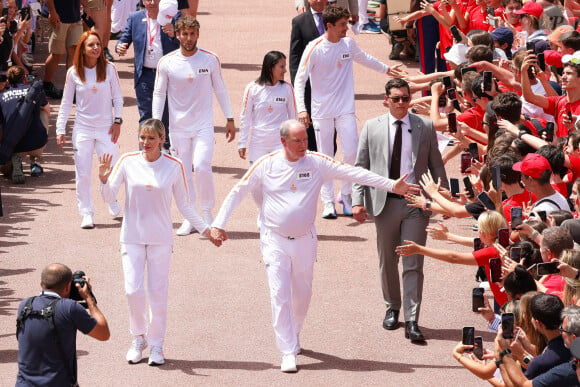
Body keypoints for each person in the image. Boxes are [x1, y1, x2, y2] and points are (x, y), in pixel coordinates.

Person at [210, 119, 419, 372]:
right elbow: (238, 191)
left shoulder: (316, 162)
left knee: (303, 293)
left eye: (305, 140)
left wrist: (391, 185)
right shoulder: (266, 165)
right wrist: (219, 224)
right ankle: (287, 350)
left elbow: (354, 173)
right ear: (283, 141)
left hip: (305, 239)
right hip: (273, 239)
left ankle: (295, 333)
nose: (303, 145)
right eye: (297, 141)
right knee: (279, 294)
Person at [98, 118, 220, 366]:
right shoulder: (127, 162)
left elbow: (185, 205)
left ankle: (156, 344)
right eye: (142, 137)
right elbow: (109, 196)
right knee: (132, 291)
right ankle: (138, 337)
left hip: (161, 239)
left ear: (162, 139)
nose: (145, 143)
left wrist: (207, 231)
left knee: (157, 293)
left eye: (151, 138)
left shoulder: (174, 166)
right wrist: (103, 180)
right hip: (131, 237)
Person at [353, 78, 448, 342]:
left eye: (406, 98)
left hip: (415, 203)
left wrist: (444, 197)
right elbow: (361, 166)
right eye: (396, 98)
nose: (402, 103)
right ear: (386, 100)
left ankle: (413, 318)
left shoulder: (424, 126)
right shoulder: (372, 127)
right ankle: (392, 307)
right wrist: (357, 200)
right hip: (383, 203)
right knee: (387, 260)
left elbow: (437, 165)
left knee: (413, 261)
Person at [294, 5, 405, 219]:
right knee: (325, 157)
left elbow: (365, 58)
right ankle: (327, 201)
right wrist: (302, 109)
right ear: (329, 26)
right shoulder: (314, 48)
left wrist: (386, 69)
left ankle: (345, 195)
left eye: (347, 23)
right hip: (321, 112)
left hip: (345, 109)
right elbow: (300, 80)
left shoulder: (348, 44)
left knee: (352, 151)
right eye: (343, 25)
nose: (347, 28)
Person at [152, 14, 236, 234]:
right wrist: (155, 123)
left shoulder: (210, 59)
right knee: (183, 172)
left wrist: (229, 118)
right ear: (178, 35)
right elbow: (159, 94)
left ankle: (207, 212)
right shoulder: (167, 62)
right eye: (185, 34)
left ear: (197, 34)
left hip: (203, 126)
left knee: (201, 166)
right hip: (178, 128)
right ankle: (190, 217)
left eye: (192, 34)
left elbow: (220, 89)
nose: (189, 38)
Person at [56, 31, 123, 229]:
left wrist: (117, 121)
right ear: (82, 50)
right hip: (83, 129)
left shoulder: (110, 69)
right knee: (83, 173)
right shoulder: (73, 72)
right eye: (91, 45)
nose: (95, 48)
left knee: (111, 171)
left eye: (98, 44)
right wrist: (60, 128)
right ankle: (86, 212)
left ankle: (110, 199)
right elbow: (67, 102)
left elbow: (118, 98)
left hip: (106, 129)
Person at [16, 263, 110, 386]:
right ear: (68, 287)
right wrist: (88, 298)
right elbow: (103, 333)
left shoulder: (24, 305)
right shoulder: (69, 308)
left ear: (41, 284)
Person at [115, 0, 179, 150]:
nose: (151, 3)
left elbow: (188, 41)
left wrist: (174, 34)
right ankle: (143, 152)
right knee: (146, 116)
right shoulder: (135, 18)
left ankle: (165, 151)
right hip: (144, 76)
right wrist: (120, 47)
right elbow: (123, 40)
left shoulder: (173, 17)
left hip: (167, 76)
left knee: (166, 116)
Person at [238, 51, 296, 163]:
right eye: (282, 67)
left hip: (280, 142)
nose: (285, 70)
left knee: (280, 178)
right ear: (270, 68)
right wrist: (242, 142)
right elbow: (245, 118)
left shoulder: (287, 88)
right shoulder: (252, 88)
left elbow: (294, 118)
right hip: (258, 143)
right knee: (257, 178)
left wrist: (294, 141)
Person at [0, 66, 50, 184]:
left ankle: (14, 160)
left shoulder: (1, 96)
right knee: (43, 111)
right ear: (24, 79)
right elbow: (47, 109)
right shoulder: (35, 91)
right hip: (36, 143)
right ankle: (35, 162)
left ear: (8, 81)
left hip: (13, 145)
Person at [289, 0, 328, 152]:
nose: (318, 1)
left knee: (331, 130)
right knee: (310, 127)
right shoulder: (299, 21)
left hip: (330, 85)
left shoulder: (335, 18)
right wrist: (296, 84)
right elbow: (295, 55)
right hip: (309, 85)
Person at [42, 0, 84, 99]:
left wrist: (86, 7)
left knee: (74, 52)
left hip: (75, 16)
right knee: (57, 54)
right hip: (58, 17)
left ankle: (72, 89)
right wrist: (52, 12)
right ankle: (46, 85)